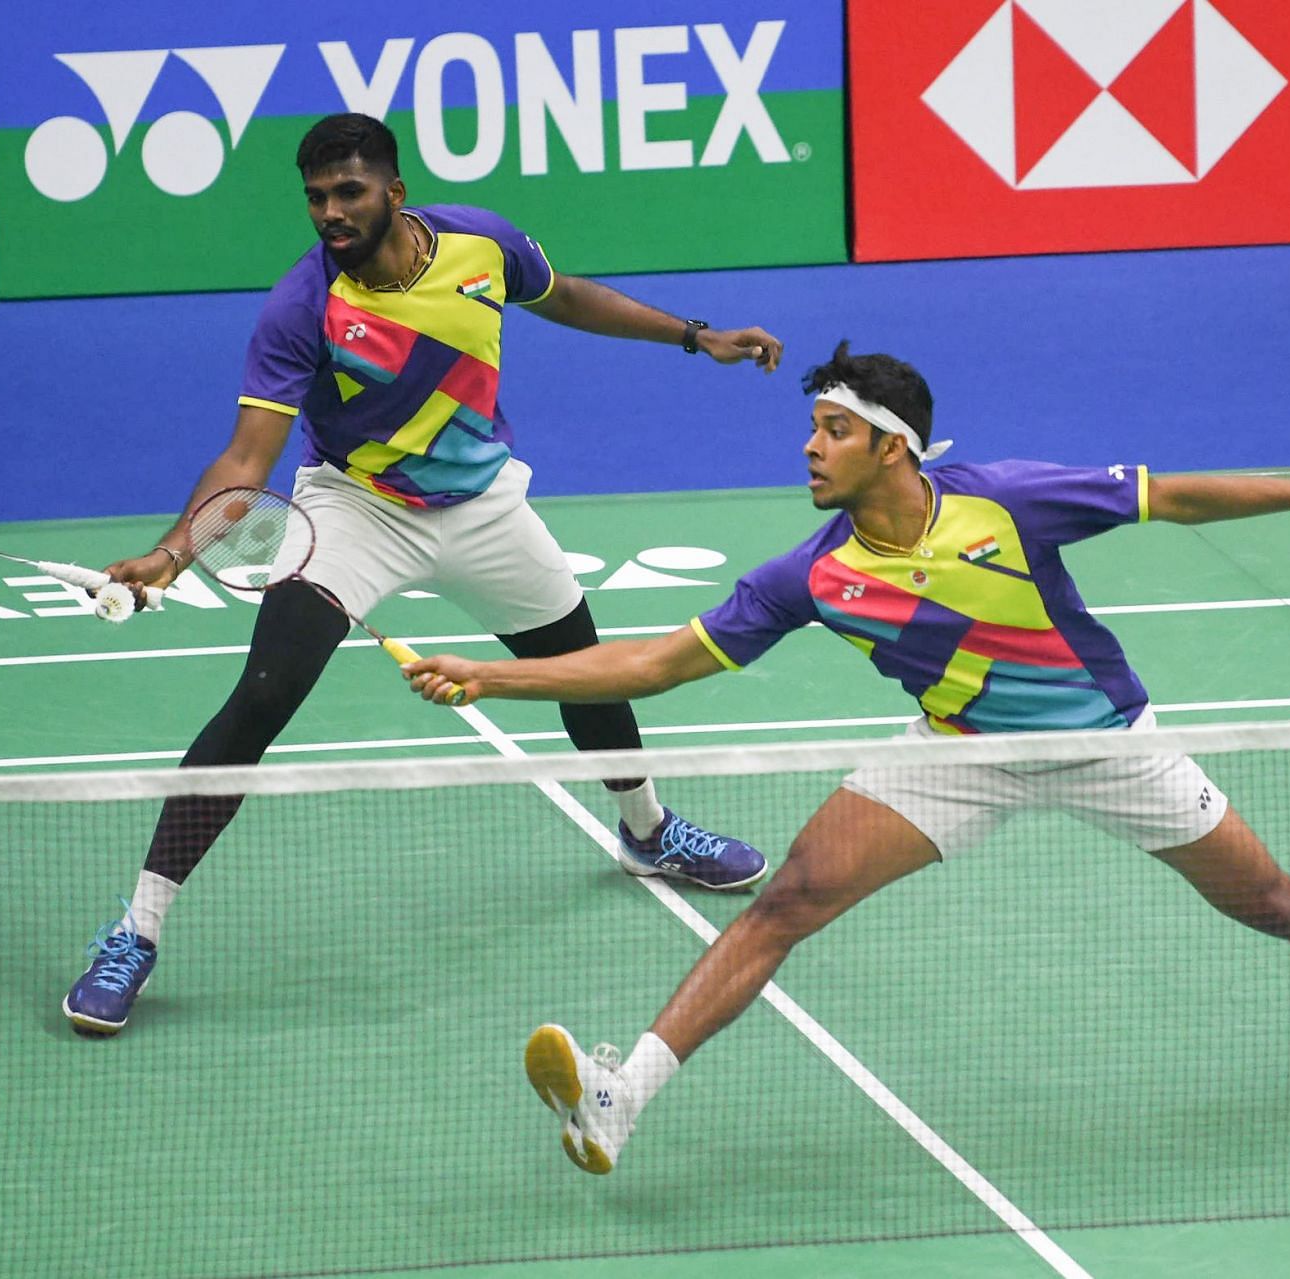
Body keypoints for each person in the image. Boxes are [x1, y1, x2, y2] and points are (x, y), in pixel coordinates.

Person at [404, 341, 1290, 1174]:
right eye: (811, 431)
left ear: (890, 445)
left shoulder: (1008, 500)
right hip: (957, 752)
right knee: (786, 899)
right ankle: (620, 1097)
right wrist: (494, 675)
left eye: (831, 431)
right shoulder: (810, 574)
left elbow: (1176, 497)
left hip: (1104, 743)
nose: (808, 448)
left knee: (1277, 902)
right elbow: (659, 664)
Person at [62, 113, 785, 1036]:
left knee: (581, 661)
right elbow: (249, 458)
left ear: (394, 193)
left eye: (348, 192)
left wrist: (695, 335)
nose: (330, 211)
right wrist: (172, 554)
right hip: (356, 509)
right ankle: (136, 929)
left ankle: (646, 828)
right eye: (317, 197)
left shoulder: (479, 243)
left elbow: (565, 297)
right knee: (262, 697)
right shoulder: (301, 307)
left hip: (482, 505)